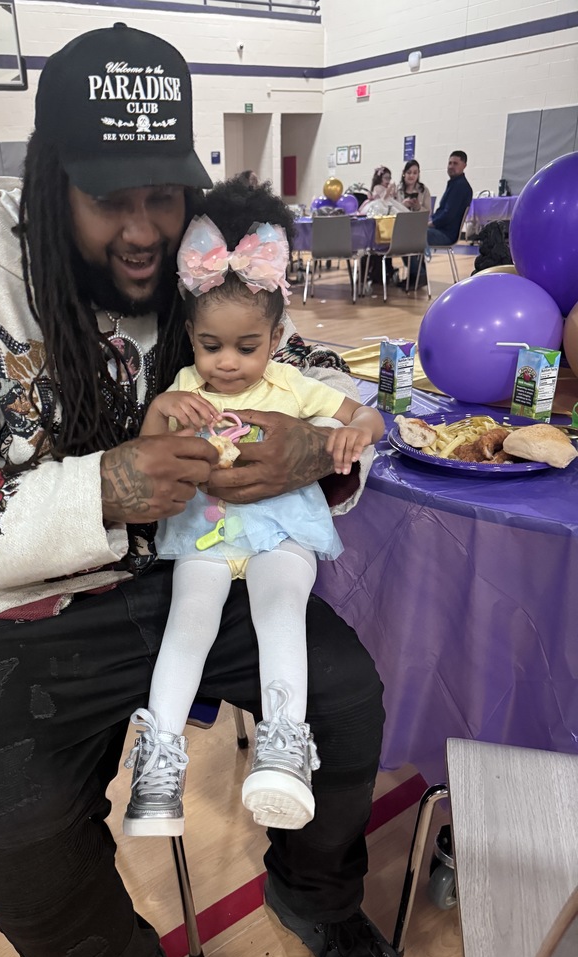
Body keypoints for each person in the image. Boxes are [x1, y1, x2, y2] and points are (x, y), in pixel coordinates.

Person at [0, 23, 419, 957]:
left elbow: (312, 373)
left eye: (163, 193)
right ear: (48, 180)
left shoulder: (196, 266)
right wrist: (102, 486)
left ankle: (314, 892)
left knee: (346, 697)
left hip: (200, 569)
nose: (146, 228)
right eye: (111, 199)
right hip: (33, 610)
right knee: (22, 840)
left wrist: (315, 451)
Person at [123, 178, 384, 838]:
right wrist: (158, 413)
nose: (229, 363)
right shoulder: (182, 385)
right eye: (212, 346)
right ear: (191, 336)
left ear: (275, 336)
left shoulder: (294, 382)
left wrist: (356, 434)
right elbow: (147, 463)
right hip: (207, 532)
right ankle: (158, 764)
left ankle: (284, 747)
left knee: (279, 612)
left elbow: (368, 416)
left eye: (247, 346)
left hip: (280, 530)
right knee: (189, 621)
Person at [428, 150, 472, 245]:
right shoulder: (454, 184)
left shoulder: (460, 187)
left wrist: (432, 223)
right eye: (450, 163)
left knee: (413, 235)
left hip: (446, 234)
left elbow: (448, 214)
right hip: (442, 231)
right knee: (413, 233)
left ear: (464, 166)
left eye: (455, 163)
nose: (451, 166)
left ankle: (419, 260)